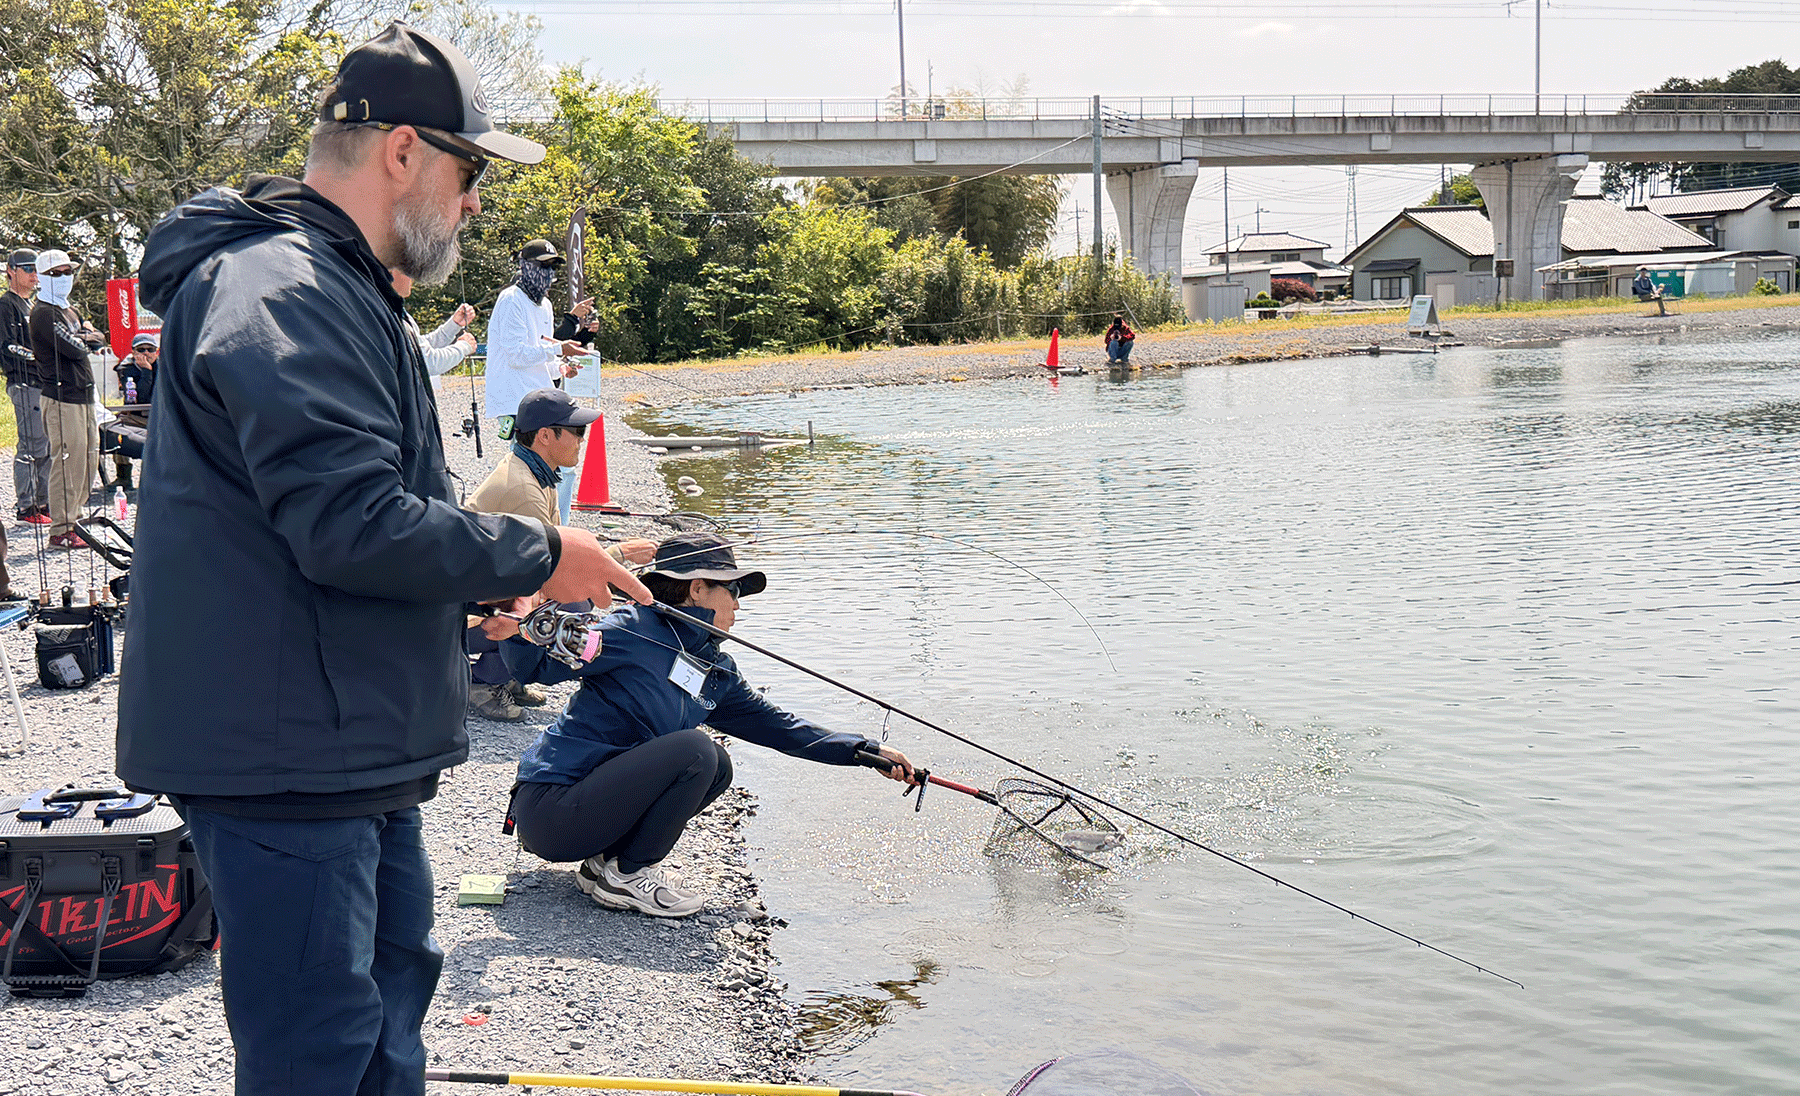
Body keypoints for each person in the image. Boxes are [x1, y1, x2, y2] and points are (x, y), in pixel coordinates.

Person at [116, 22, 652, 1096]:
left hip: (343, 746)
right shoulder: (286, 288)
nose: (476, 202)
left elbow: (320, 535)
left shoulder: (336, 283)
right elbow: (349, 522)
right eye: (468, 170)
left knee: (385, 1025)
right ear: (402, 151)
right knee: (318, 1052)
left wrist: (474, 592)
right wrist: (542, 550)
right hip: (286, 762)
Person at [486, 533, 916, 919]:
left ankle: (607, 865)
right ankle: (629, 878)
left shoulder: (715, 671)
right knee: (695, 750)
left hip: (592, 813)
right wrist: (515, 620)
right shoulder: (632, 630)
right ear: (697, 588)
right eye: (732, 590)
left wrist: (860, 751)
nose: (738, 604)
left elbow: (783, 728)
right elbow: (535, 667)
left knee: (718, 764)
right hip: (551, 810)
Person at [463, 386, 653, 720]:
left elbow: (554, 553)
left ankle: (508, 672)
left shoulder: (535, 472)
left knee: (569, 600)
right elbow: (549, 575)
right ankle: (484, 682)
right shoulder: (523, 490)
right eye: (577, 431)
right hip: (461, 615)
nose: (582, 439)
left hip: (488, 592)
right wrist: (619, 554)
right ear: (546, 436)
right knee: (574, 603)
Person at [27, 248, 104, 548]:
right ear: (42, 278)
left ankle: (74, 516)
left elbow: (99, 338)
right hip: (61, 397)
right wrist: (87, 337)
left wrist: (89, 336)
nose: (64, 277)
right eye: (55, 273)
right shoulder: (44, 312)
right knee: (67, 462)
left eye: (67, 271)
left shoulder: (69, 309)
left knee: (88, 459)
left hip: (83, 394)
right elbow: (76, 347)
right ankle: (60, 528)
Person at [484, 238, 586, 443]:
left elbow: (542, 353)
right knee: (526, 462)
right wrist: (558, 349)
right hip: (514, 401)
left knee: (555, 462)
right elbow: (517, 355)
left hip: (537, 395)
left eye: (553, 267)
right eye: (543, 265)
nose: (549, 272)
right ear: (525, 266)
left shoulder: (545, 305)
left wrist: (561, 368)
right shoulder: (511, 299)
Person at [1, 248, 50, 526]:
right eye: (28, 268)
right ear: (11, 270)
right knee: (31, 445)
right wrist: (37, 356)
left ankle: (43, 502)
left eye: (37, 269)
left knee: (47, 445)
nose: (34, 274)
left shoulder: (34, 305)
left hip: (43, 383)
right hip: (23, 382)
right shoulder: (6, 305)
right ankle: (26, 506)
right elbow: (6, 346)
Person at [389, 265, 476, 393]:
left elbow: (416, 346)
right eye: (408, 269)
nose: (413, 276)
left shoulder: (394, 310)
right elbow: (429, 361)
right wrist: (464, 347)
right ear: (391, 271)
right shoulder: (391, 313)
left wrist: (454, 325)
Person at [108, 330, 159, 489]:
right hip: (135, 415)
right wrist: (146, 372)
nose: (146, 353)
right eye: (141, 349)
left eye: (150, 349)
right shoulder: (126, 369)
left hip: (160, 416)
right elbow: (139, 398)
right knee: (114, 431)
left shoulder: (166, 367)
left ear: (156, 352)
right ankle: (123, 476)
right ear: (133, 352)